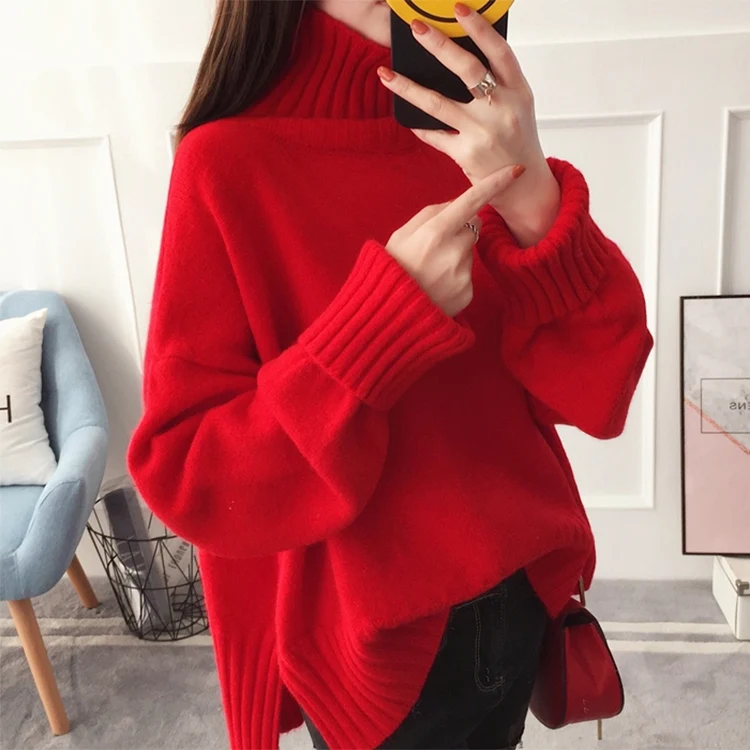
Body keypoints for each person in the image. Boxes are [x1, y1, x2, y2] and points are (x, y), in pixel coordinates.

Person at [127, 1, 653, 748]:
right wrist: (379, 325)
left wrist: (534, 193)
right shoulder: (225, 163)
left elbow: (603, 389)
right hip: (378, 653)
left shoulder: (471, 133)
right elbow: (189, 471)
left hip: (524, 596)